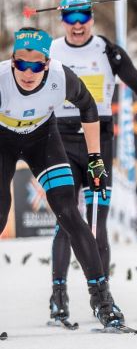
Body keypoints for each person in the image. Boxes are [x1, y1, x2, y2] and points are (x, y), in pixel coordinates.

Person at [0, 28, 126, 328]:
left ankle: (102, 299)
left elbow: (89, 107)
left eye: (36, 65)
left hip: (42, 138)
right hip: (2, 140)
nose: (28, 72)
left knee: (69, 213)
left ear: (47, 63)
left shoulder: (61, 76)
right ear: (12, 61)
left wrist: (95, 158)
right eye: (21, 64)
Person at [48, 0, 137, 325]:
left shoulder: (106, 51)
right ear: (62, 19)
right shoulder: (50, 50)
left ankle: (102, 296)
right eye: (70, 18)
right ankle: (59, 294)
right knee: (66, 220)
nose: (77, 26)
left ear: (92, 18)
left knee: (97, 223)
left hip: (98, 143)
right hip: (62, 140)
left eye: (83, 18)